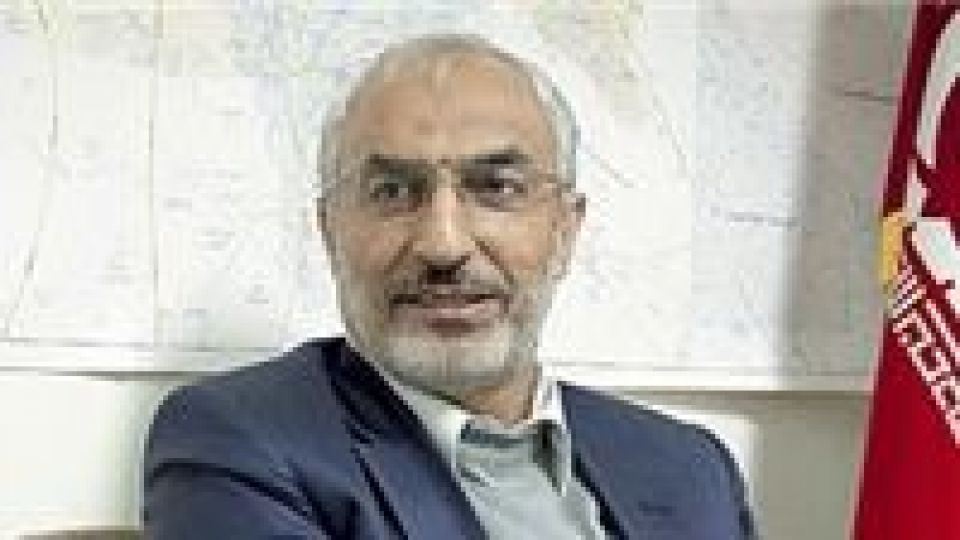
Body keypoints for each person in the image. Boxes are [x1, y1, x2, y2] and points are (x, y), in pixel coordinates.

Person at [143, 35, 755, 539]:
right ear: (330, 232)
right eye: (392, 192)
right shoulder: (237, 442)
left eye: (496, 188)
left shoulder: (691, 470)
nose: (443, 244)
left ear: (565, 231)